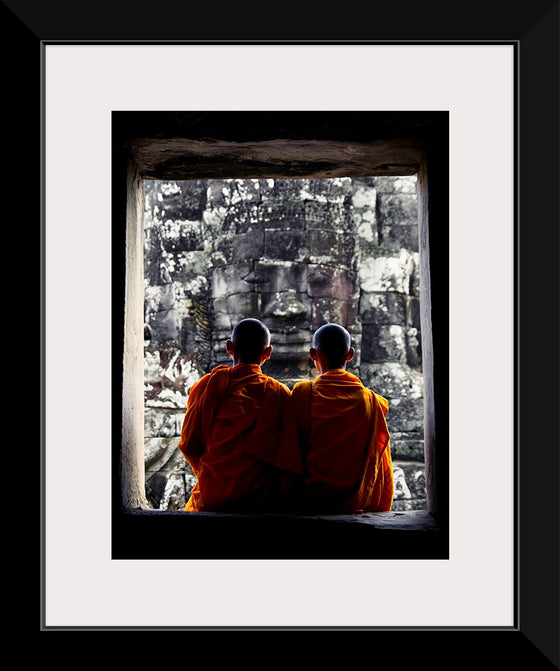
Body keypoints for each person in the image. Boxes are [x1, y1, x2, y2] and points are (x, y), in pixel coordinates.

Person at [178, 318, 303, 512]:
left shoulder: (207, 387)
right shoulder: (279, 394)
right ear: (268, 353)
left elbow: (189, 444)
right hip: (260, 501)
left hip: (212, 496)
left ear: (229, 347)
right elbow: (289, 462)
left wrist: (210, 473)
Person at [291, 323, 394, 513]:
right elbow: (380, 462)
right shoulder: (370, 400)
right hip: (355, 502)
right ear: (350, 355)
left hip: (310, 499)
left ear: (313, 354)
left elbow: (289, 450)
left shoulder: (303, 394)